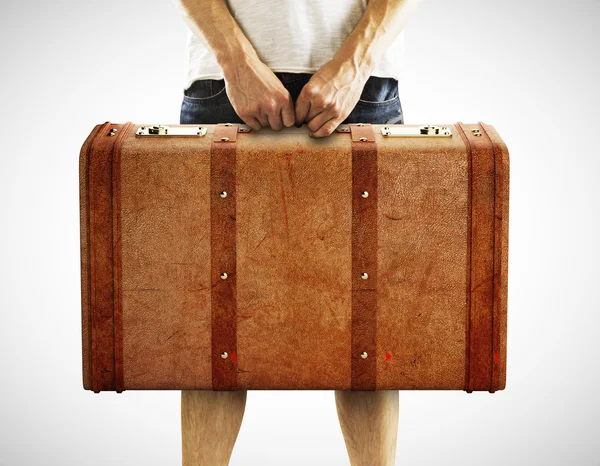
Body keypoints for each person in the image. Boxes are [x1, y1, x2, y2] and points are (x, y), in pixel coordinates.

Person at [173, 0, 421, 464]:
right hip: (225, 80)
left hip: (360, 84)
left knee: (369, 323)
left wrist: (355, 62)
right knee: (211, 322)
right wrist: (237, 61)